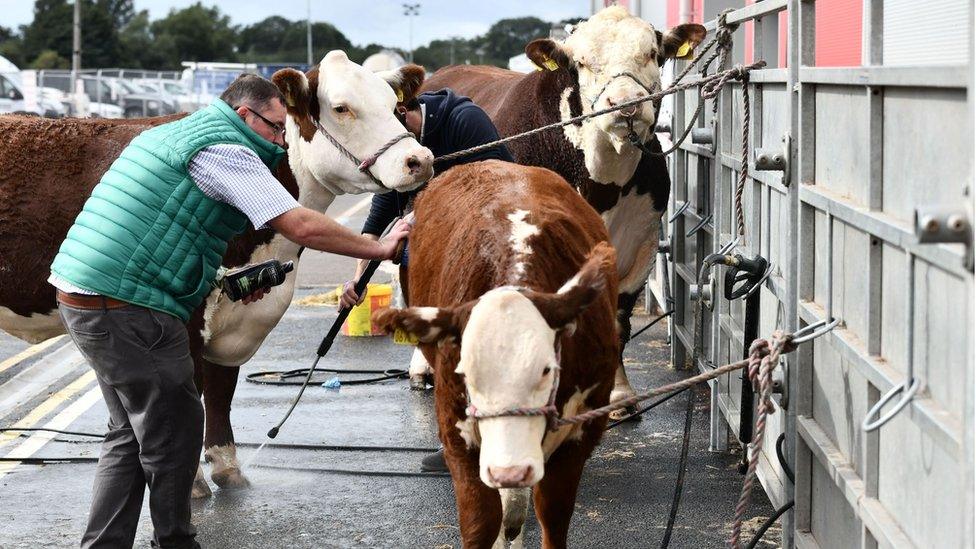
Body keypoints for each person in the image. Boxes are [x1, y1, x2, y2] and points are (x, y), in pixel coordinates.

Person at [48, 74, 410, 549]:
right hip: (127, 305)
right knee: (176, 428)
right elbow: (300, 223)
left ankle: (105, 543)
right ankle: (176, 540)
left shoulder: (175, 133)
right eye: (276, 128)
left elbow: (166, 230)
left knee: (128, 433)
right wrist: (377, 246)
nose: (282, 141)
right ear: (245, 116)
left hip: (83, 293)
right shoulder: (226, 150)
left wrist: (222, 283)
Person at [338, 88, 513, 473]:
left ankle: (494, 434)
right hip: (440, 246)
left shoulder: (464, 121)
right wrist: (357, 282)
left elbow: (498, 183)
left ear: (405, 111)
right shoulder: (398, 146)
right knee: (436, 343)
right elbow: (380, 212)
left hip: (486, 242)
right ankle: (457, 437)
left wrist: (417, 215)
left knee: (480, 344)